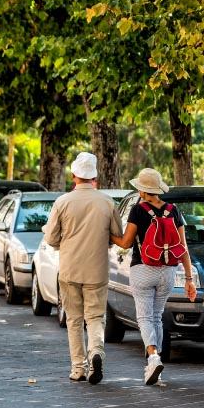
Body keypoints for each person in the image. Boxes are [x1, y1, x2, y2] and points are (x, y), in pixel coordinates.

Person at [110, 168, 197, 385]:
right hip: (168, 271)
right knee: (157, 316)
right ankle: (155, 366)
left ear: (142, 190)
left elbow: (126, 243)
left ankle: (153, 355)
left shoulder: (138, 211)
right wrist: (189, 279)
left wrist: (108, 234)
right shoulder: (173, 210)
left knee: (144, 317)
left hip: (143, 268)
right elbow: (183, 248)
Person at [44, 152, 122, 384]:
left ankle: (78, 368)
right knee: (96, 317)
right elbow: (116, 235)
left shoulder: (62, 202)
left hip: (69, 269)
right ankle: (96, 351)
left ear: (74, 175)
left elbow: (50, 238)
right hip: (96, 270)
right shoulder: (107, 202)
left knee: (74, 320)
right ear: (94, 177)